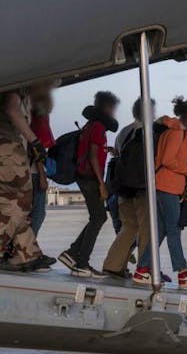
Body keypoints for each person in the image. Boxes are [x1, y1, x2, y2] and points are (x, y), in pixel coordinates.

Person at [133, 96, 187, 287]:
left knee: (162, 231)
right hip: (167, 186)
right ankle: (182, 273)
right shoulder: (177, 133)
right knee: (174, 230)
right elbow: (167, 160)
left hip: (164, 186)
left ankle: (141, 271)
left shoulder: (176, 132)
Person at [59, 91, 119, 277]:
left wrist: (104, 149)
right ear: (108, 108)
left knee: (98, 217)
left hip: (83, 176)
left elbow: (92, 150)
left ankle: (73, 254)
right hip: (90, 178)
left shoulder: (90, 125)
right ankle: (81, 261)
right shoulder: (99, 127)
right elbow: (93, 155)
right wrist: (102, 184)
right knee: (99, 217)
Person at [101, 98, 153, 279]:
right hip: (143, 188)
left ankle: (112, 265)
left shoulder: (123, 132)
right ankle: (144, 269)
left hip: (124, 188)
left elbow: (117, 156)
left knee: (129, 227)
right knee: (147, 229)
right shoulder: (150, 131)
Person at [0, 85, 48, 272]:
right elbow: (12, 110)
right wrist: (35, 141)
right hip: (7, 146)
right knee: (22, 199)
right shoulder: (14, 78)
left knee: (8, 201)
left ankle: (27, 254)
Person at [27, 82, 56, 236]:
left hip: (29, 169)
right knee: (37, 214)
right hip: (34, 172)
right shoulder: (38, 116)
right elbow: (36, 148)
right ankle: (29, 249)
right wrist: (43, 177)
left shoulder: (29, 110)